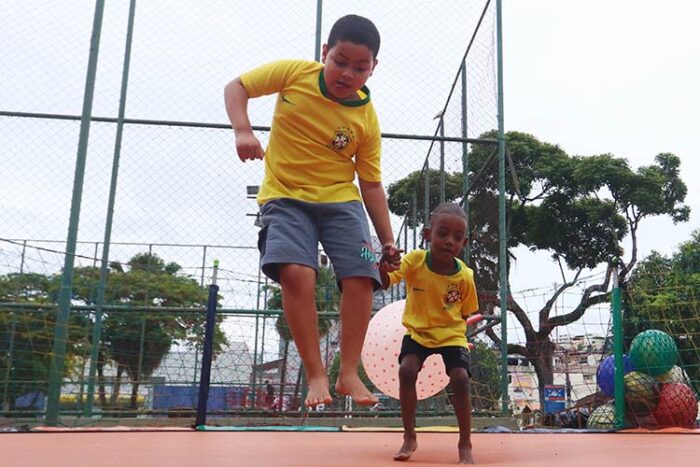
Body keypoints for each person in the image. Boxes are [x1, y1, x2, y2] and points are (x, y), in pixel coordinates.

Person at [224, 15, 400, 409]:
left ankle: (348, 373)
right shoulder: (294, 74)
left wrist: (387, 241)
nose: (347, 73)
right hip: (284, 198)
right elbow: (237, 86)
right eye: (340, 61)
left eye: (360, 67)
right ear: (325, 53)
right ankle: (316, 374)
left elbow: (370, 184)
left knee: (363, 273)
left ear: (373, 68)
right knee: (296, 272)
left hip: (341, 202)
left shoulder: (366, 119)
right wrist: (242, 129)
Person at [379, 203, 479, 464]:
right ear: (427, 234)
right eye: (442, 234)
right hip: (418, 332)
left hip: (451, 335)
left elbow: (466, 313)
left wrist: (460, 337)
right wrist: (383, 266)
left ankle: (465, 442)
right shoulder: (414, 261)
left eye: (457, 238)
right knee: (406, 370)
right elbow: (387, 280)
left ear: (464, 242)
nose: (449, 242)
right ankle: (410, 435)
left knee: (460, 378)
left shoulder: (465, 276)